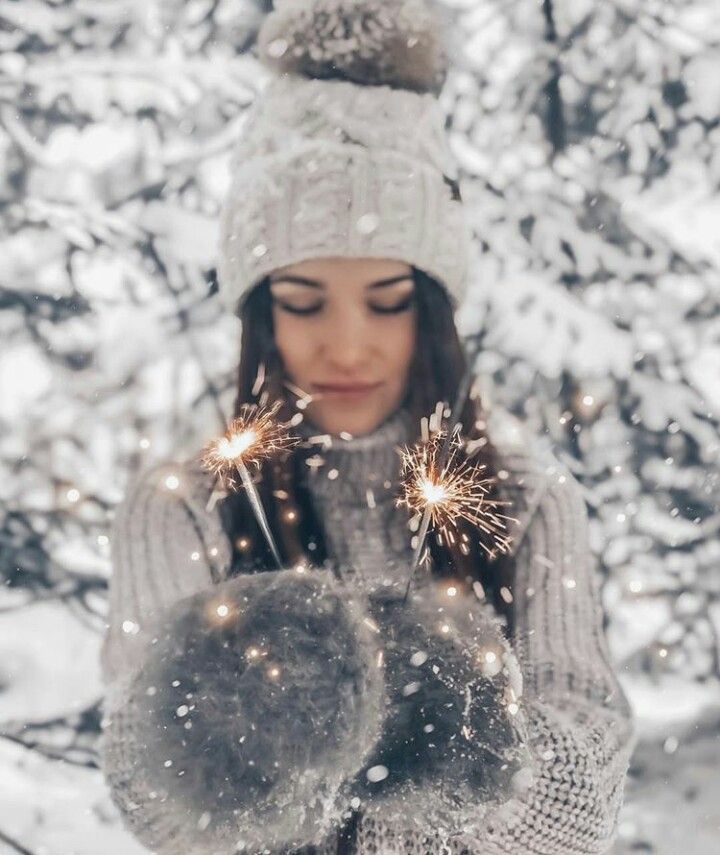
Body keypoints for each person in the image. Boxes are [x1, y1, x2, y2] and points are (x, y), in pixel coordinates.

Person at [100, 2, 636, 853]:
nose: (346, 344)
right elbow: (149, 788)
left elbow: (585, 794)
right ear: (256, 314)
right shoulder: (188, 504)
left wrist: (460, 737)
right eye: (302, 301)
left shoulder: (527, 500)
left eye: (387, 302)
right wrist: (248, 715)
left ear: (433, 313)